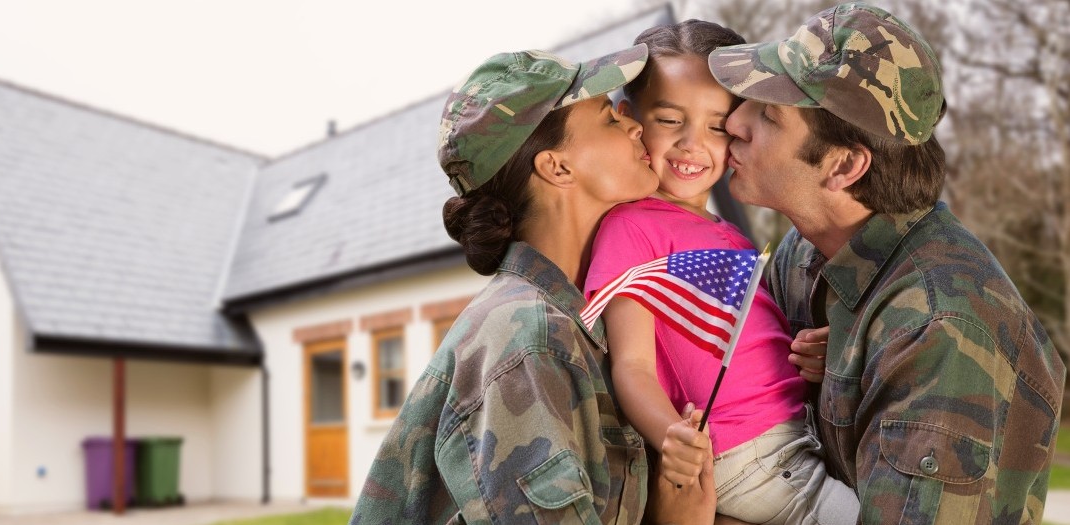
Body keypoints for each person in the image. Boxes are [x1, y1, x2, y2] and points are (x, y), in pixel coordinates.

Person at [706, 2, 1067, 523]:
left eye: (769, 115)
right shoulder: (805, 252)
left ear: (844, 165)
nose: (733, 121)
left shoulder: (941, 330)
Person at [350, 44, 717, 525]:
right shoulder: (529, 338)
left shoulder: (583, 316)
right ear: (557, 168)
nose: (634, 126)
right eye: (608, 119)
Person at [584, 20, 857, 525]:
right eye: (669, 120)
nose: (693, 144)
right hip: (747, 454)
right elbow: (633, 365)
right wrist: (671, 435)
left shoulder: (720, 228)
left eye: (715, 125)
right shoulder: (632, 227)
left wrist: (803, 356)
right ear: (630, 118)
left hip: (792, 436)